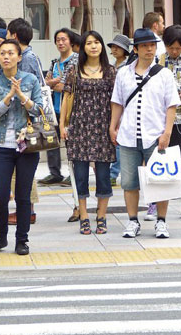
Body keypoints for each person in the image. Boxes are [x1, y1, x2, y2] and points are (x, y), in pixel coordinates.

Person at [109, 28, 181, 239]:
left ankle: (161, 221)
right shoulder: (123, 73)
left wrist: (167, 132)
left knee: (161, 180)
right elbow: (117, 102)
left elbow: (171, 105)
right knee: (129, 182)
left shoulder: (164, 74)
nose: (150, 49)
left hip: (155, 135)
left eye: (152, 45)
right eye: (145, 46)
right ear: (137, 49)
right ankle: (132, 221)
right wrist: (113, 126)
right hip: (128, 135)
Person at [0, 39, 42, 256]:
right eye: (2, 53)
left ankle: (22, 240)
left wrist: (22, 96)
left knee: (23, 195)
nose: (6, 57)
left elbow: (39, 110)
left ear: (19, 56)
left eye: (11, 53)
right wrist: (8, 97)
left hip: (26, 145)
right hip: (0, 144)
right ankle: (0, 238)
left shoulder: (31, 79)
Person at [145, 25, 181, 221]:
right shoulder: (156, 62)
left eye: (179, 48)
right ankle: (154, 203)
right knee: (156, 161)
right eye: (171, 47)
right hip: (159, 121)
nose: (174, 52)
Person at [60, 31, 116, 235]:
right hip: (79, 127)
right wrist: (62, 126)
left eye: (97, 42)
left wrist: (115, 126)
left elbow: (116, 102)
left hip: (103, 127)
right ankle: (84, 216)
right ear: (83, 47)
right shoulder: (74, 71)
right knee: (81, 174)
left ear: (102, 46)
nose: (93, 46)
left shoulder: (110, 71)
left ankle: (101, 216)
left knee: (103, 175)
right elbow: (66, 98)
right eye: (89, 43)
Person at [5, 18, 42, 225]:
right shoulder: (31, 56)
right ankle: (26, 209)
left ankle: (27, 210)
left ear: (15, 36)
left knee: (24, 170)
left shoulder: (25, 59)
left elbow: (31, 90)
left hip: (25, 121)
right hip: (25, 119)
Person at [39, 28, 79, 186]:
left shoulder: (76, 59)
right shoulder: (55, 62)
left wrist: (57, 83)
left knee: (72, 143)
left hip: (70, 109)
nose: (61, 43)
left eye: (64, 39)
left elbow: (69, 84)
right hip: (53, 107)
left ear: (70, 42)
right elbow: (47, 82)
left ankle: (74, 173)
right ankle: (54, 173)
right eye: (58, 40)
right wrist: (55, 83)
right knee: (51, 142)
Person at [107, 34, 132, 188]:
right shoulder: (113, 66)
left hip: (123, 107)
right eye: (113, 47)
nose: (114, 50)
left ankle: (113, 173)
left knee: (119, 141)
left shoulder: (127, 67)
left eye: (118, 47)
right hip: (113, 105)